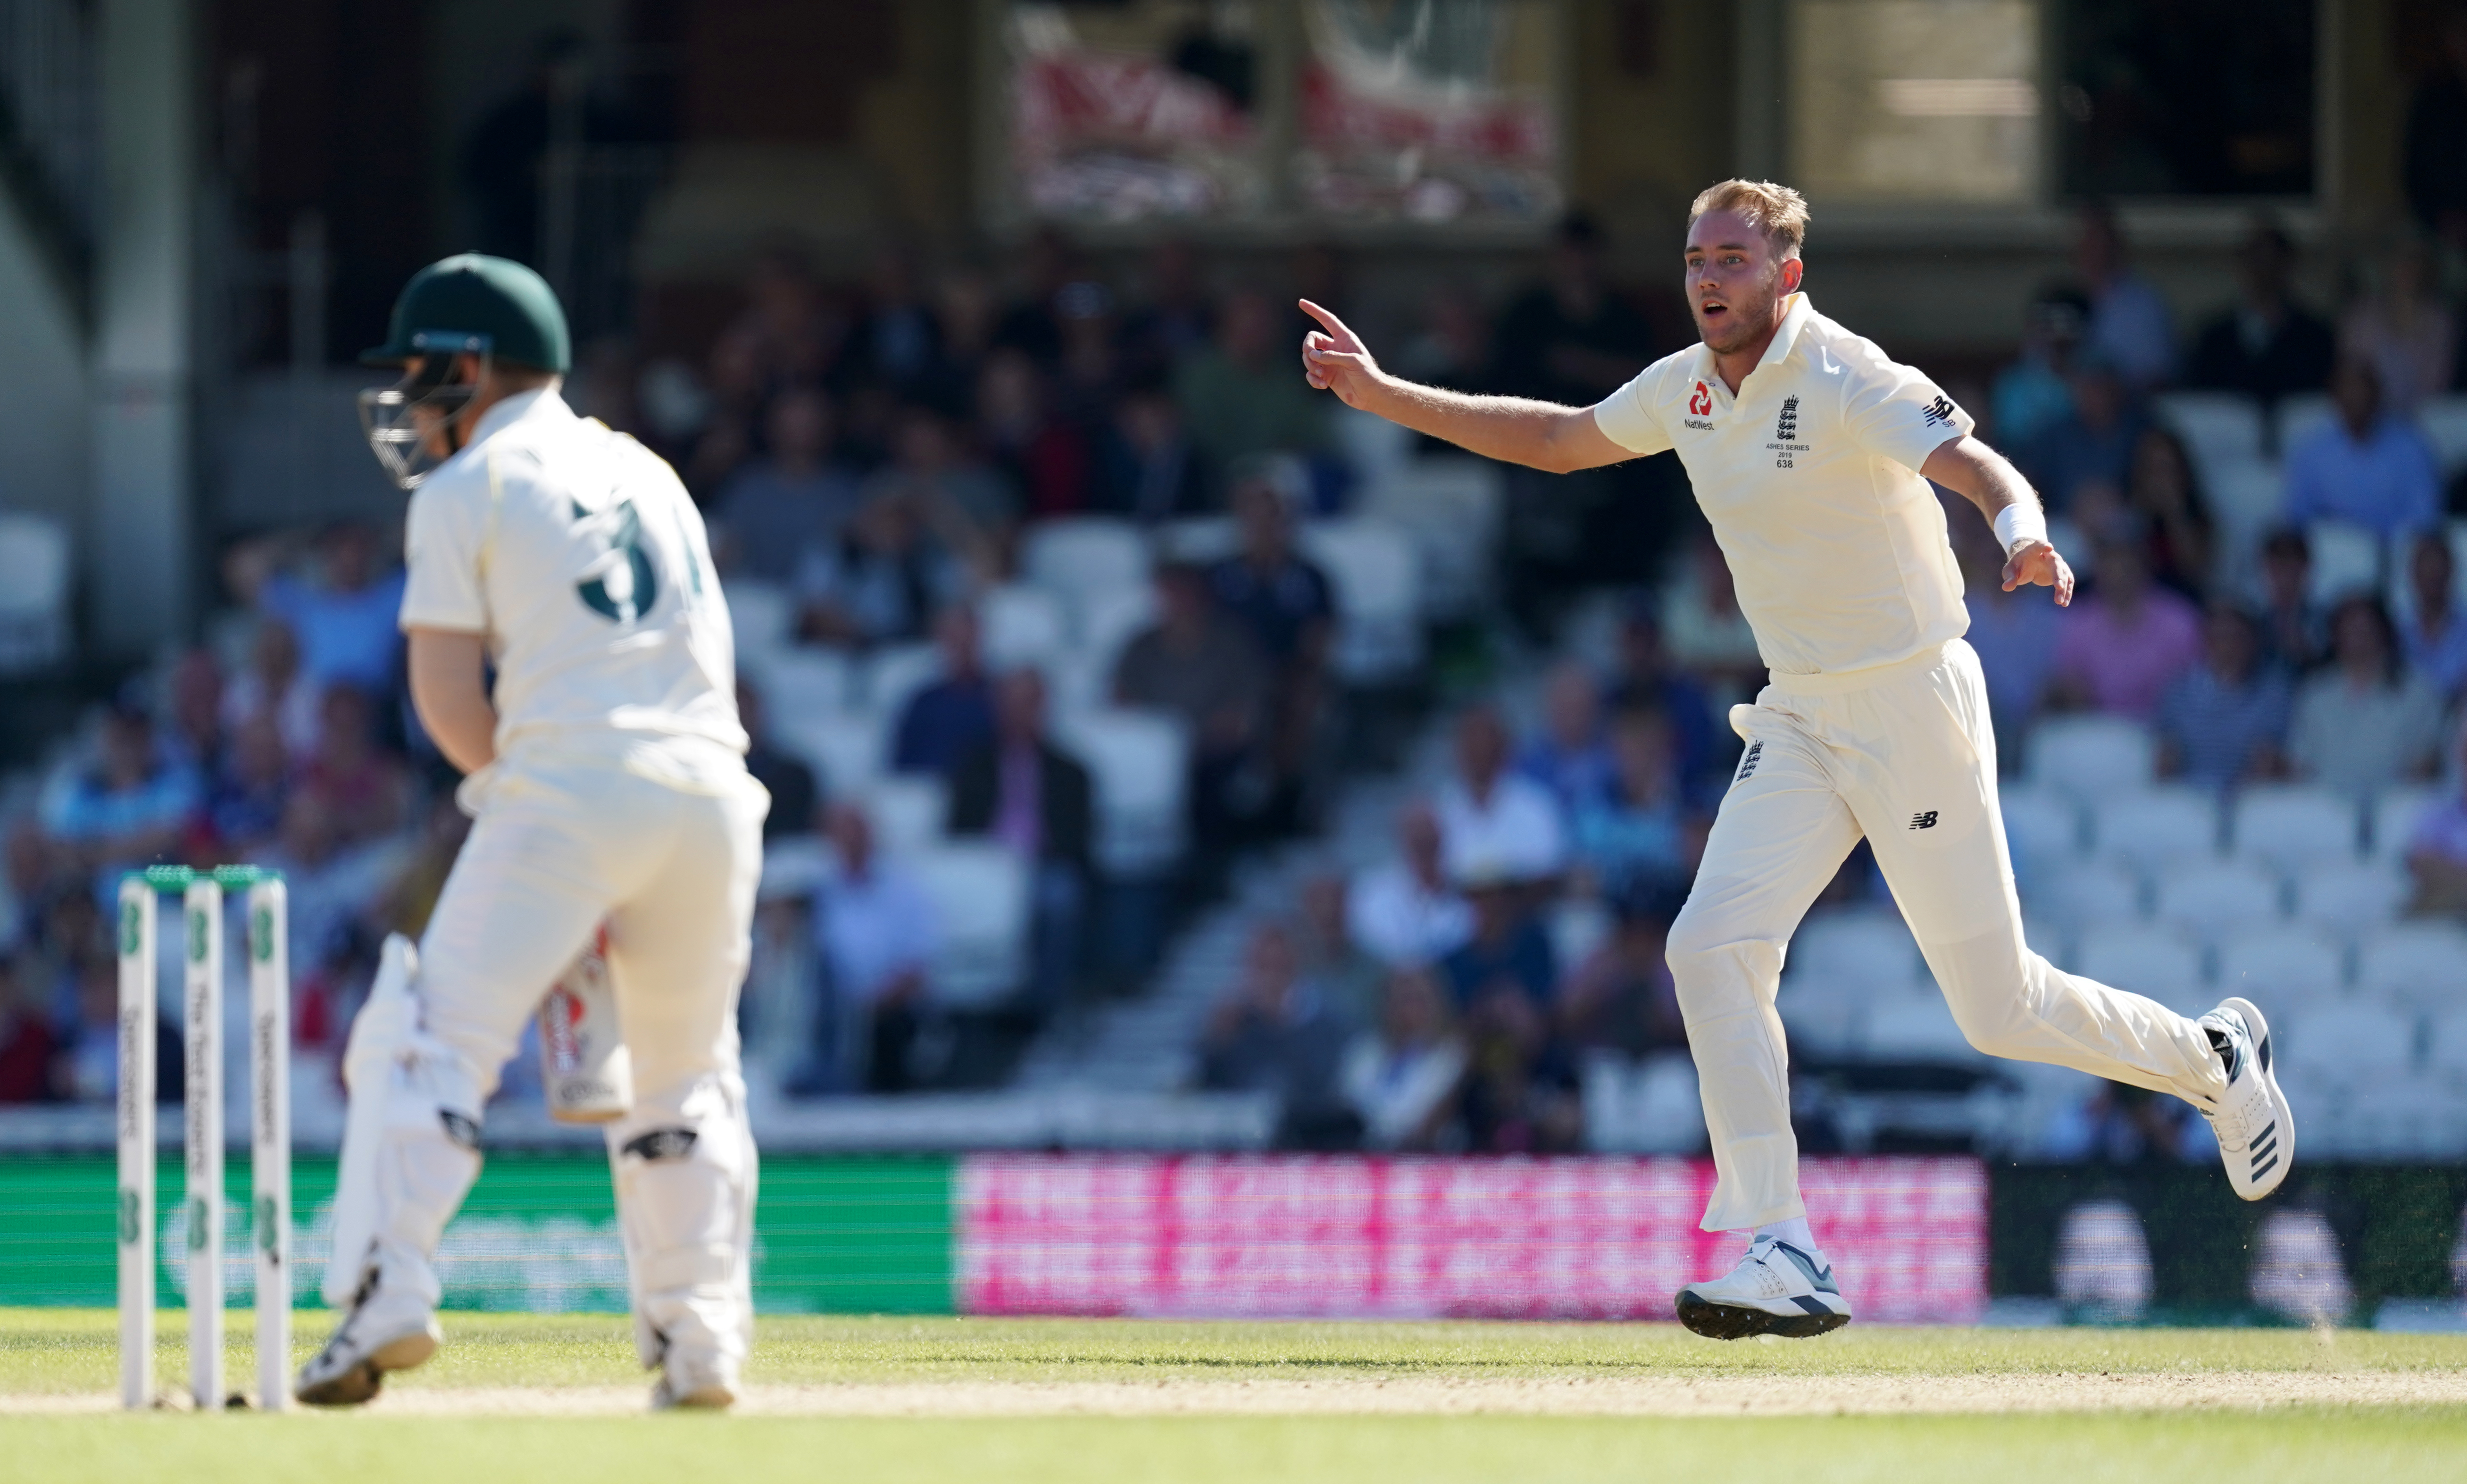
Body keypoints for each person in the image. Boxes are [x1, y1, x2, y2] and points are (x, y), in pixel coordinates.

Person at [1296, 177, 2286, 1340]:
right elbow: (1560, 441)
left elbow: (1980, 468)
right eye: (1695, 258)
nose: (1709, 277)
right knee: (1708, 948)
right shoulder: (1686, 388)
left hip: (1912, 698)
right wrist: (1381, 393)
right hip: (1803, 714)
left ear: (1786, 275)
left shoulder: (1842, 372)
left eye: (1732, 258)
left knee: (1999, 1008)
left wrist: (2024, 536)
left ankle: (2211, 1055)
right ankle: (1783, 1245)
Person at [298, 256, 767, 1411]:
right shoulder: (647, 469)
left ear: (468, 366)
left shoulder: (468, 488)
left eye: (420, 378)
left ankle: (386, 1289)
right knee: (686, 1076)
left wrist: (553, 842)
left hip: (570, 783)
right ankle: (700, 1337)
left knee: (428, 1034)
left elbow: (452, 704)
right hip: (712, 792)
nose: (409, 407)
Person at [946, 669, 1092, 1011]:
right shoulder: (973, 766)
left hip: (1043, 865)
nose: (1017, 714)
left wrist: (1036, 857)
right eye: (1010, 705)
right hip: (986, 869)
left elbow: (1079, 840)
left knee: (1060, 897)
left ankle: (1041, 1004)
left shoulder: (1071, 772)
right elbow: (957, 830)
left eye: (1027, 704)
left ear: (1042, 707)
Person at [1111, 562, 1269, 856]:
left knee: (1217, 785)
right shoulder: (1140, 646)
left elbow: (1248, 704)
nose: (1177, 602)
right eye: (1169, 594)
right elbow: (1122, 705)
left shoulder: (1232, 641)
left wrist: (1204, 738)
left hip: (1214, 752)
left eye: (1184, 593)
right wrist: (1161, 742)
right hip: (1158, 754)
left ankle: (1213, 867)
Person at [1197, 920, 1359, 1150]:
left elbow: (1324, 1087)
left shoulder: (1329, 1022)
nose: (1270, 976)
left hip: (1307, 1142)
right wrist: (1217, 1042)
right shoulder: (1233, 1020)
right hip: (1239, 1141)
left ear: (1298, 966)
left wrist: (1279, 1022)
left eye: (1279, 966)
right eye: (1262, 966)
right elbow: (1210, 1085)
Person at [810, 802, 939, 1093]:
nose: (851, 842)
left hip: (888, 1009)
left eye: (857, 833)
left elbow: (918, 962)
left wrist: (876, 1004)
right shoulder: (816, 890)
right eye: (842, 834)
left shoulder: (905, 888)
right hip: (827, 1008)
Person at [2288, 595, 2447, 798]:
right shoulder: (2314, 694)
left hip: (2396, 811)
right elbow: (2300, 763)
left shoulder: (2419, 692)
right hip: (2325, 813)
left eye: (2366, 628)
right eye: (2349, 629)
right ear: (2335, 636)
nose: (2357, 636)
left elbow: (2428, 762)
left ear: (2384, 632)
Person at [708, 387, 859, 584]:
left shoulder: (845, 490)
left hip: (823, 602)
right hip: (757, 599)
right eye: (792, 419)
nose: (801, 429)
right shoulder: (749, 485)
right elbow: (726, 548)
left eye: (810, 420)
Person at [2282, 358, 2442, 542]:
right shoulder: (2310, 451)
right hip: (2331, 558)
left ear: (2378, 394)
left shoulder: (2412, 448)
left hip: (2395, 558)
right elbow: (2296, 519)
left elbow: (2425, 520)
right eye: (2347, 389)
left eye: (2362, 388)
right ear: (2334, 396)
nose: (2355, 397)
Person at [2047, 534, 2204, 721]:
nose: (2118, 577)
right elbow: (2067, 684)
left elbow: (2195, 687)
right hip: (2098, 731)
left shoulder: (2180, 620)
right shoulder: (2076, 622)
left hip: (2165, 731)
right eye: (2110, 567)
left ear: (2145, 567)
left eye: (2126, 568)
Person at [2183, 222, 2335, 406]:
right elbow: (2196, 404)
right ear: (2243, 266)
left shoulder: (2316, 339)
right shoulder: (2214, 340)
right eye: (2256, 261)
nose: (2264, 273)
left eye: (2273, 262)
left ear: (2288, 267)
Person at [2153, 605, 2292, 792]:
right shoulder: (2179, 692)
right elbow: (2167, 756)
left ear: (2253, 642)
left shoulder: (2274, 694)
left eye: (2237, 637)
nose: (2228, 646)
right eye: (2219, 637)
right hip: (2188, 796)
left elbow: (2266, 761)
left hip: (2249, 798)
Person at [1434, 704, 1566, 887]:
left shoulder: (1536, 804)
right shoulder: (1441, 810)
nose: (1477, 752)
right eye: (1470, 743)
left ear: (1502, 747)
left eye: (1483, 742)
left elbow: (1549, 873)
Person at [1338, 967, 1467, 1151]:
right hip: (1359, 1160)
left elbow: (1431, 1124)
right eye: (1399, 999)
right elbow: (1344, 1113)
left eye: (1416, 999)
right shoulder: (1363, 1052)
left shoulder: (1453, 1057)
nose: (1406, 1009)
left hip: (1425, 1161)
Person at [1346, 802, 1475, 970]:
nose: (1424, 850)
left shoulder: (1472, 892)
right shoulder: (1372, 896)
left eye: (1429, 842)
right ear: (1402, 843)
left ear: (1442, 839)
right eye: (1417, 843)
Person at [2339, 233, 2457, 414]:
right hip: (2367, 420)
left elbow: (2437, 386)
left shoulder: (2441, 322)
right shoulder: (2361, 316)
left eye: (2415, 259)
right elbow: (2353, 375)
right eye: (2400, 259)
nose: (2407, 267)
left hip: (2424, 420)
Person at [2072, 203, 2175, 390]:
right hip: (2069, 411)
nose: (2090, 246)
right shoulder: (2064, 297)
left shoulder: (2144, 304)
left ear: (2115, 244)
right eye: (2084, 237)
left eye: (2097, 238)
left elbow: (2157, 376)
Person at [891, 605, 998, 779]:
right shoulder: (924, 702)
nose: (961, 646)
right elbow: (904, 765)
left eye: (967, 637)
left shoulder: (1000, 699)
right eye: (953, 638)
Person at [1516, 660, 1619, 821]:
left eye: (1580, 706)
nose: (1573, 717)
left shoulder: (1616, 756)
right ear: (1550, 708)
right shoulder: (1528, 763)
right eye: (1564, 707)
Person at [735, 679, 819, 842]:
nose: (741, 719)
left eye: (745, 710)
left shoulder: (794, 777)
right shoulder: (699, 777)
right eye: (735, 712)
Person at [2400, 530, 2467, 700]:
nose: (2432, 575)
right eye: (2425, 569)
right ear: (2413, 574)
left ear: (2451, 571)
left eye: (2438, 569)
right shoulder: (2396, 633)